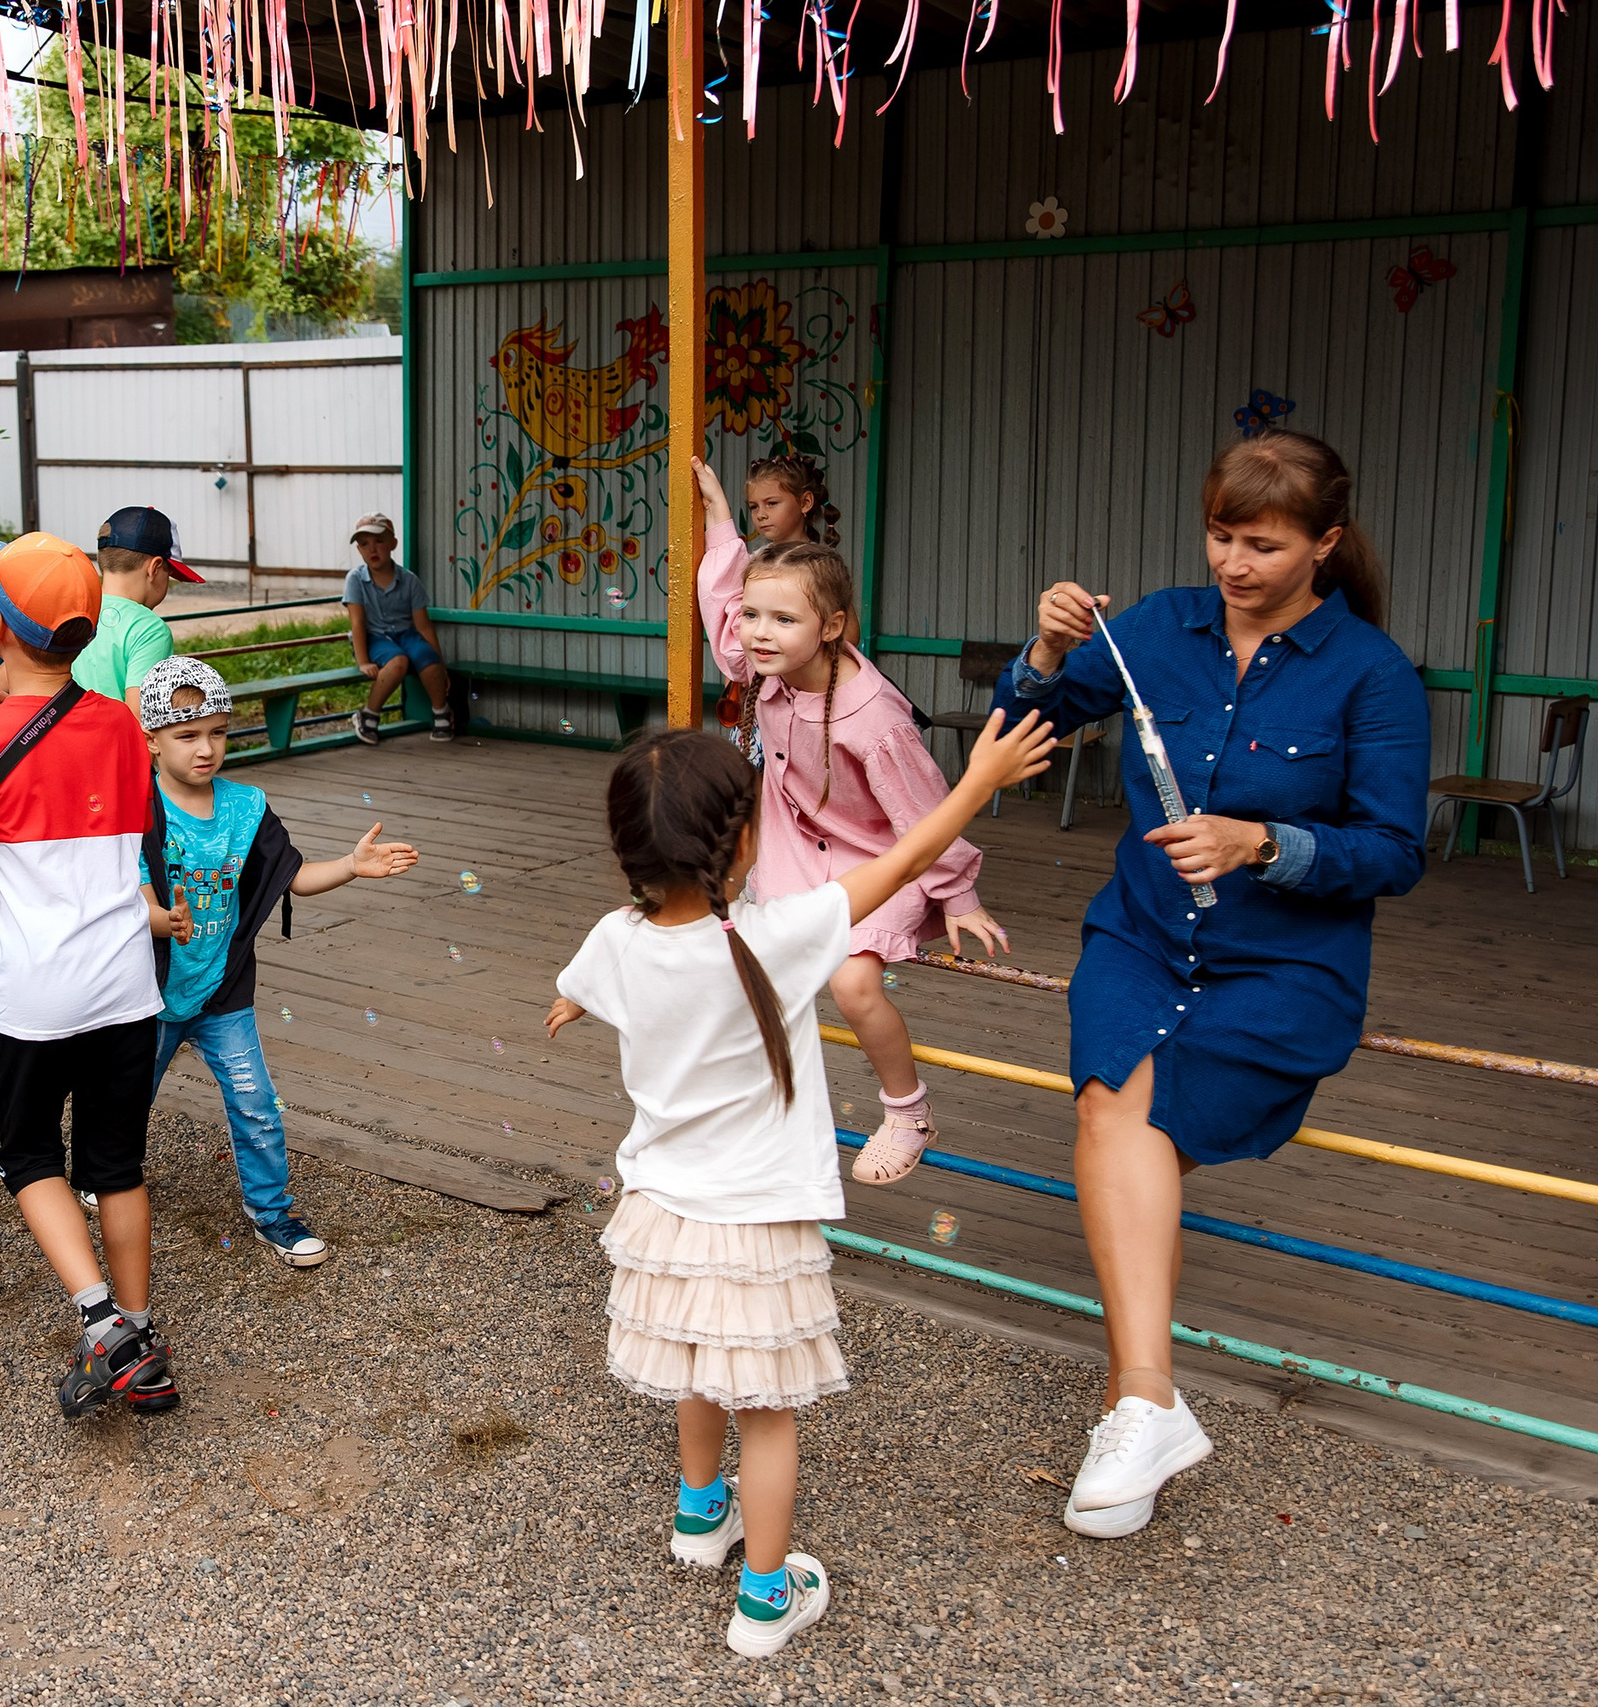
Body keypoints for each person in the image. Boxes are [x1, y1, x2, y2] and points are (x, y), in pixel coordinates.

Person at [989, 430, 1428, 1539]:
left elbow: (1394, 851)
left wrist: (1265, 844)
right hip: (1140, 933)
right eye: (1221, 536)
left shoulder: (1371, 675)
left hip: (1286, 963)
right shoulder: (1152, 631)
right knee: (1113, 1105)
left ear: (1324, 544)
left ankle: (1136, 1402)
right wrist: (1043, 655)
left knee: (1131, 1137)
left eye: (1265, 545)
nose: (1233, 563)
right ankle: (1143, 1404)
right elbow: (1028, 724)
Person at [548, 713, 1055, 1658]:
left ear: (625, 845)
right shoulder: (778, 936)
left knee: (696, 1361)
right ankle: (765, 1599)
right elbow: (902, 862)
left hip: (660, 1208)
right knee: (767, 1413)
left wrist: (577, 998)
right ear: (744, 840)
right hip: (760, 1222)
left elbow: (587, 977)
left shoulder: (615, 938)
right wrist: (979, 781)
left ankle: (701, 1517)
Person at [693, 460, 1014, 1185]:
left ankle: (908, 1109)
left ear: (832, 626)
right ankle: (757, 1102)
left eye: (782, 619)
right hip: (797, 849)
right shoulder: (763, 664)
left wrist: (959, 893)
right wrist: (720, 520)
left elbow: (924, 810)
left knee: (853, 983)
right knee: (749, 969)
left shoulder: (873, 719)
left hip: (880, 853)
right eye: (755, 616)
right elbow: (722, 615)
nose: (758, 634)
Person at [0, 533, 178, 1420]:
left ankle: (105, 1325)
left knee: (31, 1152)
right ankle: (144, 1337)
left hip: (33, 996)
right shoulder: (121, 726)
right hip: (126, 989)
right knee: (118, 1163)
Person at [133, 657, 419, 1268]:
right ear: (151, 739)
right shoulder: (137, 807)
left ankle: (272, 1212)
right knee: (127, 1100)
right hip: (149, 991)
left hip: (222, 988)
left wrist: (349, 866)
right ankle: (106, 1182)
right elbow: (128, 897)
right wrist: (163, 920)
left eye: (217, 732)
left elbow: (292, 876)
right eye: (186, 736)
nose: (205, 749)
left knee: (256, 1102)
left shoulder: (246, 807)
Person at [73, 505, 205, 719]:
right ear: (154, 568)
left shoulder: (71, 609)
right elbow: (141, 720)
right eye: (169, 574)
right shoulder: (149, 630)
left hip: (66, 746)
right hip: (116, 750)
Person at [343, 514, 454, 745]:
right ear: (359, 550)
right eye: (364, 544)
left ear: (393, 544)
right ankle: (368, 715)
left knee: (427, 658)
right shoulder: (355, 579)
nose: (372, 549)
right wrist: (363, 662)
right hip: (373, 638)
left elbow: (423, 626)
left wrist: (440, 665)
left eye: (379, 541)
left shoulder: (409, 580)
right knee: (398, 662)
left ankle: (441, 711)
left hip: (406, 635)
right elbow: (357, 623)